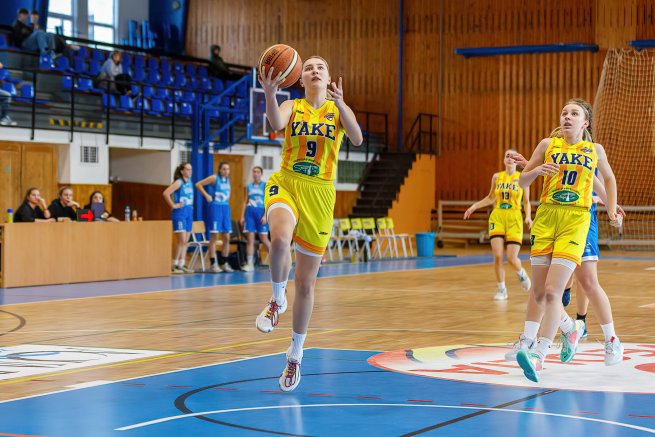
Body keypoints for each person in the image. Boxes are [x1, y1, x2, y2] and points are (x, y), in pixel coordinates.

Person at [255, 55, 363, 392]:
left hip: (320, 194)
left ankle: (295, 354)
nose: (314, 70)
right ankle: (276, 300)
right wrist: (270, 94)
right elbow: (274, 123)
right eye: (308, 68)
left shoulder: (337, 111)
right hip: (287, 182)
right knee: (279, 240)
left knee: (306, 283)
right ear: (299, 78)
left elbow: (358, 138)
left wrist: (342, 104)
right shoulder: (292, 105)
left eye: (320, 67)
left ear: (328, 77)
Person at [512, 98, 621, 382]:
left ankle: (538, 354)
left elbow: (607, 180)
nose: (567, 117)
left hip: (576, 219)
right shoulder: (547, 146)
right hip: (546, 217)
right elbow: (522, 182)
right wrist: (535, 172)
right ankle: (569, 328)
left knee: (553, 291)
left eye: (574, 113)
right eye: (564, 112)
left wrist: (611, 209)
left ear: (585, 123)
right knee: (538, 294)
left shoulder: (594, 150)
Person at [463, 149, 532, 300]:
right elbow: (490, 197)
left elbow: (526, 202)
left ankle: (521, 273)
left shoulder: (523, 178)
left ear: (516, 161)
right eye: (507, 155)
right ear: (503, 159)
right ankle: (502, 289)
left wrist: (528, 217)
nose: (509, 158)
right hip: (497, 216)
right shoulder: (497, 177)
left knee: (512, 258)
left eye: (512, 156)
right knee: (497, 255)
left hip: (514, 217)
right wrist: (473, 207)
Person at [196, 162, 234, 273]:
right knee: (214, 236)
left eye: (227, 169)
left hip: (225, 208)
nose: (226, 171)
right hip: (216, 208)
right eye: (224, 169)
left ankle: (224, 262)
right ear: (219, 169)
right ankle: (213, 263)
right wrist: (207, 195)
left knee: (227, 237)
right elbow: (198, 184)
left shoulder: (227, 180)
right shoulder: (214, 178)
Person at [163, 163, 195, 274]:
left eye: (191, 169)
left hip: (189, 212)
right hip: (180, 213)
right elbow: (166, 193)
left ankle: (181, 264)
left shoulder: (190, 182)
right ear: (182, 171)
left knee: (186, 240)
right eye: (188, 169)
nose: (190, 171)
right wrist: (173, 205)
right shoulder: (179, 182)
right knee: (180, 239)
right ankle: (174, 263)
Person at [240, 166, 272, 272]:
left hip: (261, 213)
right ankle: (250, 264)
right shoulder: (248, 186)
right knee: (250, 240)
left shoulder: (265, 185)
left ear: (261, 174)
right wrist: (242, 216)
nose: (255, 173)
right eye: (254, 171)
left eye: (258, 172)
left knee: (264, 239)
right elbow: (245, 201)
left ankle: (277, 261)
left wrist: (265, 215)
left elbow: (268, 202)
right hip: (250, 214)